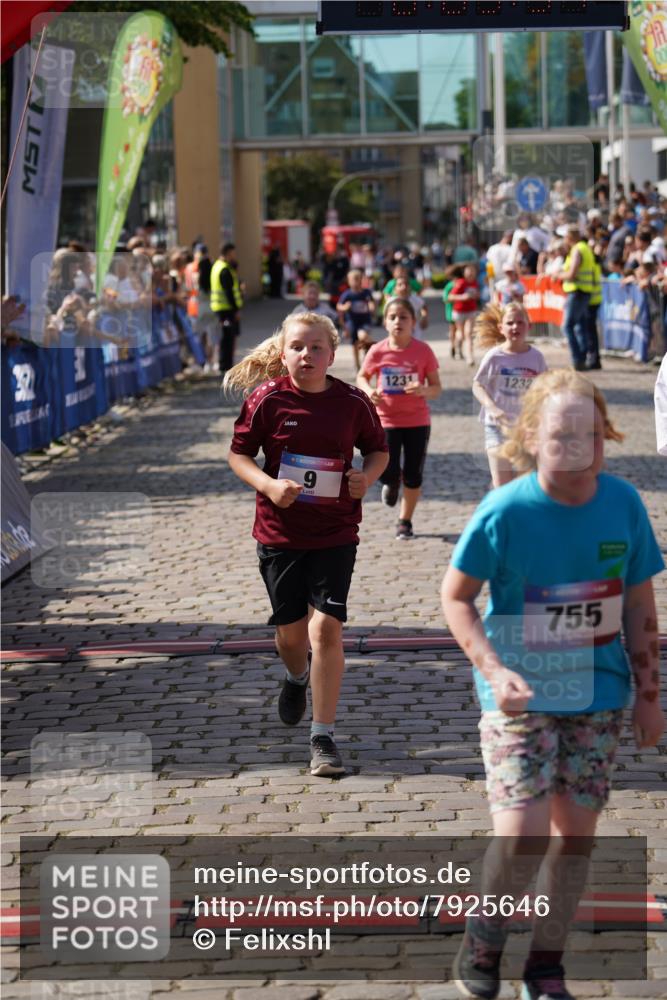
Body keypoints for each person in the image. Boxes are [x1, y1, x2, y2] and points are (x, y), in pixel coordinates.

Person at [441, 368, 664, 1000]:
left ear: (604, 438)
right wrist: (493, 667)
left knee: (576, 835)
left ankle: (547, 963)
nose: (576, 448)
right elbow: (456, 599)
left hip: (599, 694)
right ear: (531, 436)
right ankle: (483, 945)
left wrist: (650, 698)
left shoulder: (622, 504)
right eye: (562, 434)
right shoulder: (505, 511)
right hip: (519, 694)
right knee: (523, 832)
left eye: (590, 435)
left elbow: (642, 607)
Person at [224, 312, 388, 777]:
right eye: (297, 346)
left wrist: (367, 478)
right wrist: (269, 485)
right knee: (292, 636)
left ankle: (323, 736)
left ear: (332, 355)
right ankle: (296, 676)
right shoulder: (266, 399)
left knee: (326, 632)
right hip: (280, 534)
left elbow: (378, 449)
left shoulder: (353, 402)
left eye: (317, 347)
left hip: (336, 532)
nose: (307, 355)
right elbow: (239, 454)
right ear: (283, 353)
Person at [356, 298, 441, 539]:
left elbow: (436, 387)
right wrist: (369, 391)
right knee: (388, 469)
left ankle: (405, 520)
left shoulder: (423, 351)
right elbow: (362, 376)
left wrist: (424, 390)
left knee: (413, 473)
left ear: (413, 322)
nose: (398, 321)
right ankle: (391, 483)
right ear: (385, 322)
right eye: (392, 317)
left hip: (417, 421)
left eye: (403, 317)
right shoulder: (378, 350)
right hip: (386, 420)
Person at [472, 302, 547, 488]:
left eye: (520, 322)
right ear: (501, 328)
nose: (515, 327)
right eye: (510, 323)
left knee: (523, 483)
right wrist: (492, 407)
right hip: (497, 426)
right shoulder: (494, 356)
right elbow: (477, 385)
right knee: (502, 485)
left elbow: (545, 388)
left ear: (529, 326)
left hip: (526, 428)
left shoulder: (536, 357)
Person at [560, 226, 595, 370]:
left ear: (570, 237)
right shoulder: (585, 247)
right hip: (584, 291)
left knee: (567, 326)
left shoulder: (577, 250)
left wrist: (558, 276)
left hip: (577, 291)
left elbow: (571, 274)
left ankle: (578, 359)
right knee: (580, 326)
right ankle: (581, 358)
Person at [211, 242, 244, 374]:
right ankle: (226, 365)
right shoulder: (225, 269)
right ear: (228, 253)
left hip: (220, 308)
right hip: (227, 309)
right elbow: (229, 292)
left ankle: (224, 364)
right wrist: (236, 310)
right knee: (228, 339)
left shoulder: (217, 266)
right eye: (233, 253)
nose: (234, 256)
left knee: (224, 337)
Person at [337, 268, 376, 370]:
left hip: (364, 320)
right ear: (349, 281)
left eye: (357, 279)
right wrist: (345, 307)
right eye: (353, 279)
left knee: (362, 336)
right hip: (352, 321)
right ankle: (357, 364)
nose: (355, 281)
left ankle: (369, 348)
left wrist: (372, 307)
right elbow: (339, 306)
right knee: (355, 344)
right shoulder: (347, 294)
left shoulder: (366, 292)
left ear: (361, 280)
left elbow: (371, 301)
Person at [449, 263, 480, 366]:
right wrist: (463, 297)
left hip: (471, 311)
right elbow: (450, 297)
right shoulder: (461, 283)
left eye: (473, 271)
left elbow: (477, 296)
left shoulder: (475, 283)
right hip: (459, 311)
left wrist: (476, 296)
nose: (471, 273)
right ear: (464, 273)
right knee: (461, 334)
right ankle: (457, 347)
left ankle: (470, 357)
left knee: (469, 333)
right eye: (469, 271)